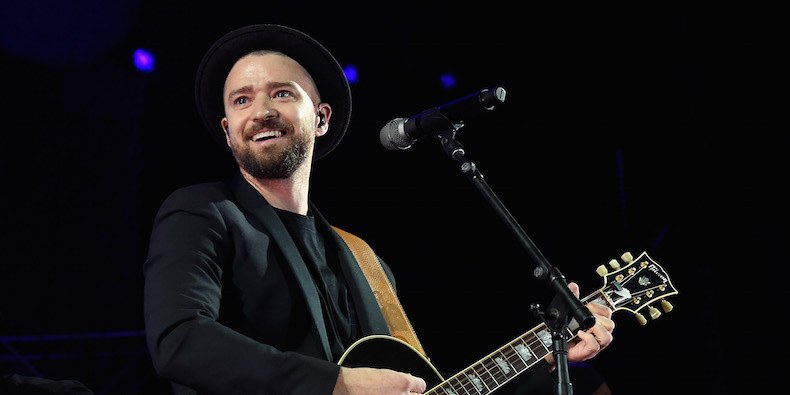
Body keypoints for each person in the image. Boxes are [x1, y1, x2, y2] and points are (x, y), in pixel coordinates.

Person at [142, 23, 615, 394]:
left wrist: (548, 354)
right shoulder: (202, 213)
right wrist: (336, 384)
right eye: (242, 100)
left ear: (321, 118)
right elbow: (179, 340)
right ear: (228, 131)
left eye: (282, 93)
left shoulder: (364, 262)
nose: (261, 110)